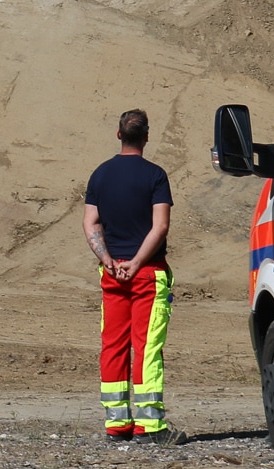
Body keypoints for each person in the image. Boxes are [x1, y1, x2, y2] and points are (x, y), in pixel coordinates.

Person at [82, 109, 180, 445]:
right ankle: (150, 426)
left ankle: (117, 423)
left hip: (112, 274)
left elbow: (91, 223)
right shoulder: (155, 176)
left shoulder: (100, 175)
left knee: (113, 345)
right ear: (146, 137)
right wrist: (137, 262)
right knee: (147, 347)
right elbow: (160, 226)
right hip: (147, 273)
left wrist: (107, 259)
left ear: (118, 134)